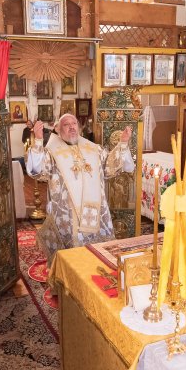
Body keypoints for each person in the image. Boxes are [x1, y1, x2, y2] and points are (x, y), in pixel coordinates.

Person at [26, 113, 135, 265]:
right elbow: (36, 170)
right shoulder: (52, 152)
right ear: (58, 129)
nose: (71, 127)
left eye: (74, 124)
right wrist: (38, 140)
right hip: (68, 214)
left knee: (97, 258)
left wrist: (122, 143)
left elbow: (109, 166)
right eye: (66, 125)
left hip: (95, 212)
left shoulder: (93, 149)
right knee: (71, 257)